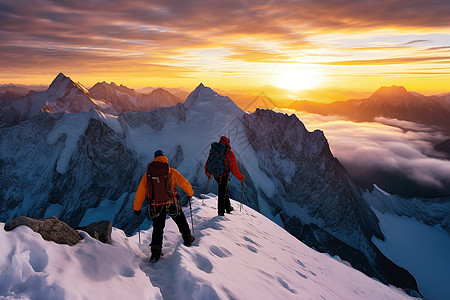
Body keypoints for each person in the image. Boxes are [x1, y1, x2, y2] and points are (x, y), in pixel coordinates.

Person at [133, 150, 195, 262]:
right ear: (165, 159)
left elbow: (141, 192)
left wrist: (136, 208)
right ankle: (187, 238)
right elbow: (184, 183)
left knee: (158, 228)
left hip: (155, 206)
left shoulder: (148, 175)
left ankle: (155, 253)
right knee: (181, 220)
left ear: (154, 159)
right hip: (171, 203)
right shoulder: (172, 172)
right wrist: (190, 193)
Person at [205, 136, 245, 216]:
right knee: (222, 192)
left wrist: (208, 173)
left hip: (216, 175)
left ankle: (228, 207)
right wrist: (240, 177)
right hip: (224, 175)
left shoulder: (214, 150)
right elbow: (234, 168)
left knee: (223, 190)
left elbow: (208, 162)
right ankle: (221, 212)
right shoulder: (229, 153)